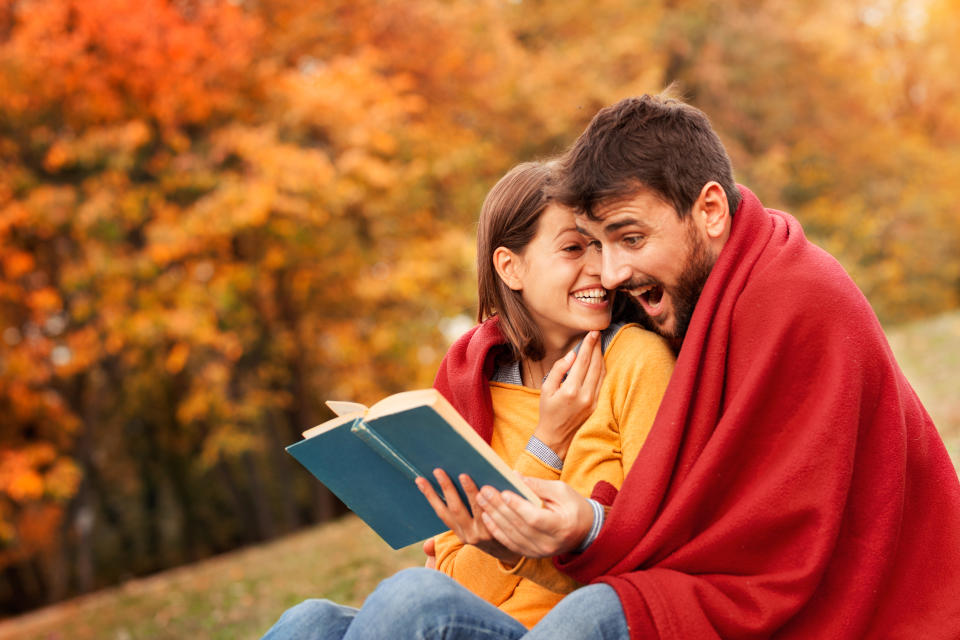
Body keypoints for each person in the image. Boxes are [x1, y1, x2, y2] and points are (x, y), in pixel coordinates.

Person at [473, 94, 960, 638]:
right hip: (691, 579)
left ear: (709, 210)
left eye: (630, 239)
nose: (609, 274)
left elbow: (771, 542)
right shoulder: (685, 292)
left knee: (598, 616)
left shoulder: (798, 298)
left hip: (860, 607)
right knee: (407, 602)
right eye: (596, 246)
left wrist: (590, 528)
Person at [260, 162, 676, 639]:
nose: (600, 268)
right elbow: (454, 580)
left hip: (581, 625)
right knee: (308, 620)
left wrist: (528, 494)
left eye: (600, 246)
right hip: (484, 625)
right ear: (510, 266)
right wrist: (547, 444)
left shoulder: (637, 361)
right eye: (573, 248)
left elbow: (653, 546)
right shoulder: (471, 387)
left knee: (411, 599)